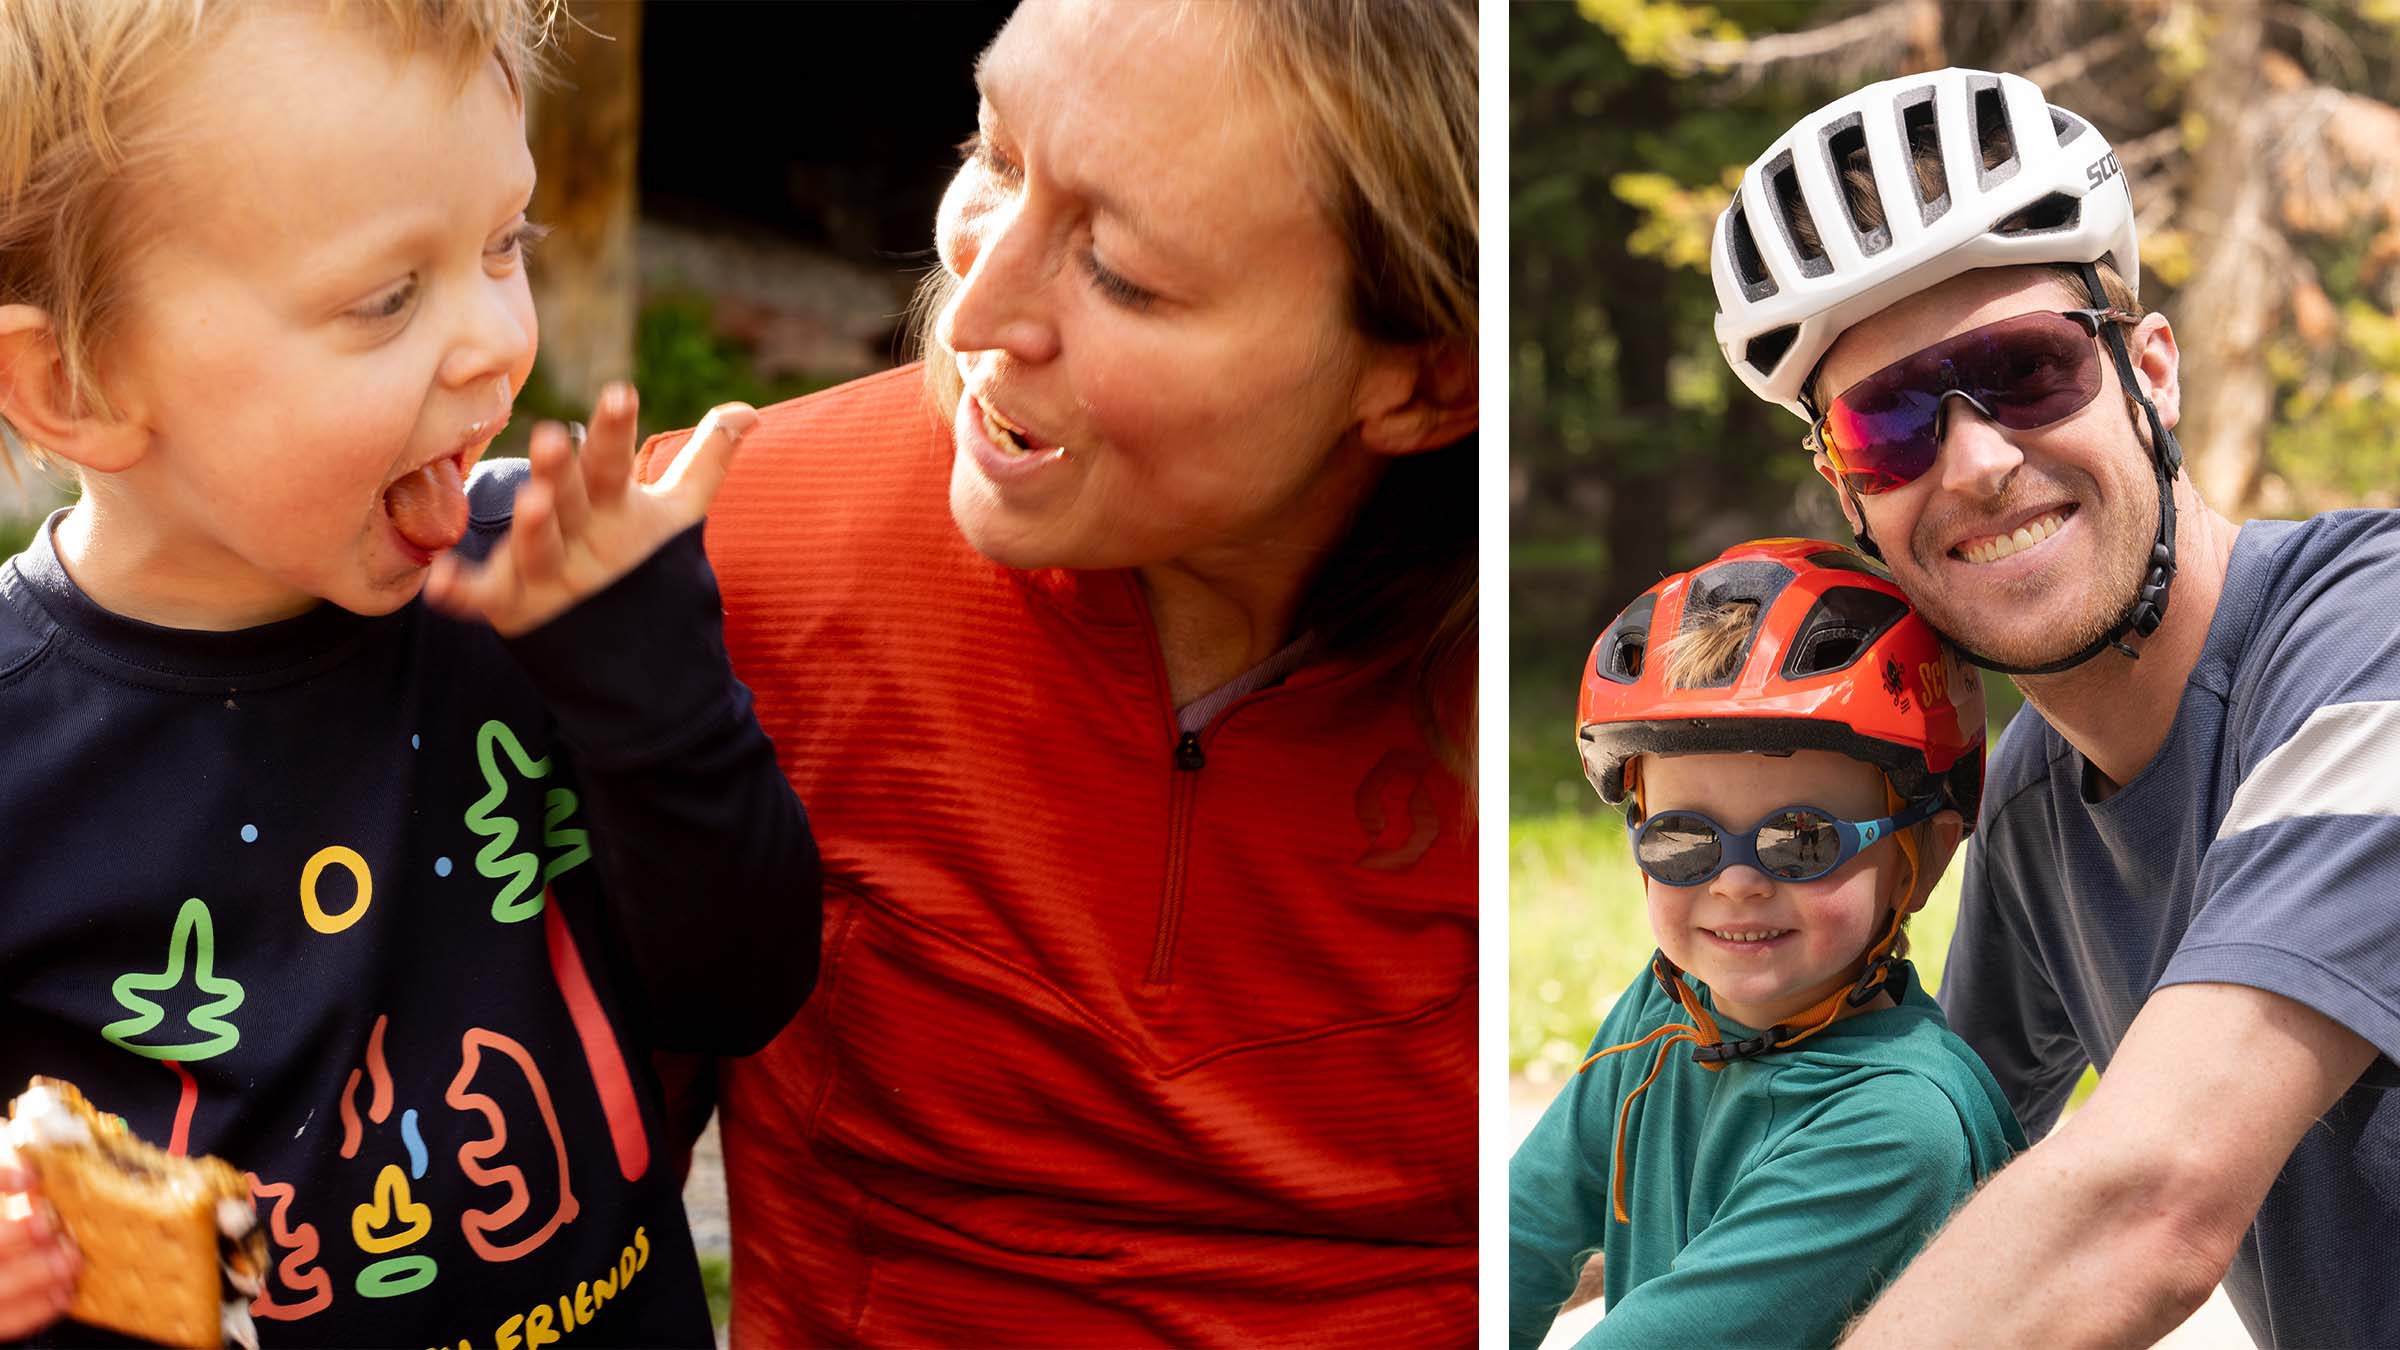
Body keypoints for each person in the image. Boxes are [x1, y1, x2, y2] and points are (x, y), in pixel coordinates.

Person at [636, 0, 1477, 1341]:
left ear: (1428, 384)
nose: (972, 307)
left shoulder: (1571, 708)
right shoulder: (718, 556)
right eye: (997, 154)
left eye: (1122, 273)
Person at [0, 2, 820, 1344]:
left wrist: (653, 693)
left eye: (507, 243)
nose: (497, 338)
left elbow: (744, 987)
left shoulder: (547, 597)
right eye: (386, 297)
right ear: (73, 383)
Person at [1710, 67, 2400, 1346]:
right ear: (1850, 496)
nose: (1977, 461)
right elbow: (1923, 1192)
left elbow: (2148, 1204)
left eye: (2029, 371)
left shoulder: (2377, 645)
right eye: (1889, 425)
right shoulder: (2037, 797)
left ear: (2152, 372)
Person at [1510, 539, 2022, 1347]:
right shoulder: (1667, 1010)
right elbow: (1515, 1241)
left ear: (1920, 860)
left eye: (1801, 840)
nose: (1738, 883)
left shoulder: (1896, 1127)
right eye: (1684, 840)